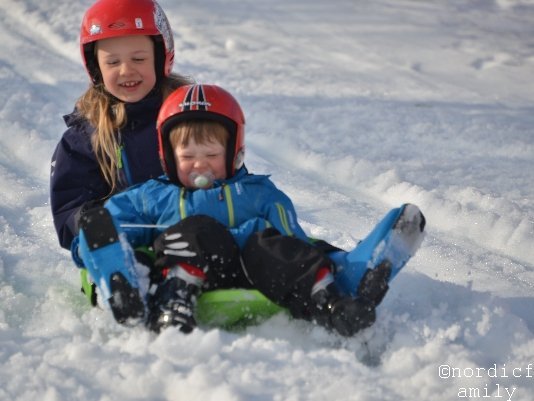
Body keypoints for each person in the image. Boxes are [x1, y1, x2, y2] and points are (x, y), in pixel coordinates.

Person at [73, 84, 425, 337]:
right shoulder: (153, 196)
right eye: (188, 157)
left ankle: (335, 298)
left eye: (211, 156)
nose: (201, 166)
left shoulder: (259, 193)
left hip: (258, 274)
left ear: (234, 153)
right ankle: (152, 297)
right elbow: (109, 225)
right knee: (197, 230)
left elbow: (293, 239)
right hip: (187, 272)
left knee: (272, 244)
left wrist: (319, 260)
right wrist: (96, 244)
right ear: (168, 156)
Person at [50, 0, 191, 252]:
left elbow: (227, 170)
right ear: (96, 68)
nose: (126, 70)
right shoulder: (86, 136)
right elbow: (69, 209)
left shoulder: (190, 115)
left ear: (160, 59)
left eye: (138, 58)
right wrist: (96, 223)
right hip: (128, 245)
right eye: (113, 63)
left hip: (194, 234)